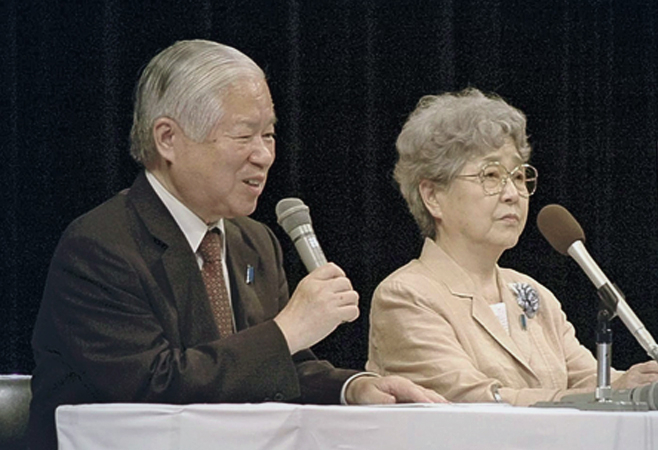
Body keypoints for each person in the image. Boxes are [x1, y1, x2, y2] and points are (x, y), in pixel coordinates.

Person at [29, 39, 443, 450]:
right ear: (168, 138)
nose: (263, 155)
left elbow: (280, 369)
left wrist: (355, 388)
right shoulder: (100, 246)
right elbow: (153, 386)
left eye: (269, 134)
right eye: (244, 135)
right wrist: (286, 331)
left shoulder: (254, 241)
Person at [366, 88, 658, 406]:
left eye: (518, 176)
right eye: (491, 175)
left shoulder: (532, 293)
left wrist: (632, 382)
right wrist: (612, 393)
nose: (513, 193)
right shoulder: (407, 296)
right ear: (433, 196)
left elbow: (589, 378)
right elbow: (469, 400)